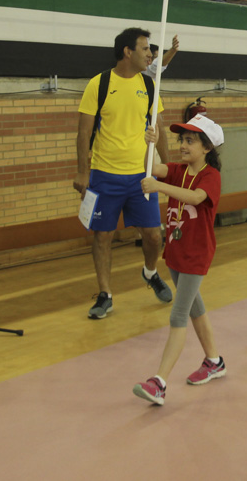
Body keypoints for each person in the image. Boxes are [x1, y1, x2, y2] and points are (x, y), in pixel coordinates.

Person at [73, 27, 174, 322]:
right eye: (145, 49)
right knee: (103, 236)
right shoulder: (99, 84)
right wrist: (82, 171)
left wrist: (169, 167)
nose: (151, 55)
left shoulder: (150, 86)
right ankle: (105, 294)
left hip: (141, 176)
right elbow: (83, 132)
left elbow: (161, 128)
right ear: (128, 52)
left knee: (154, 236)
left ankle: (150, 271)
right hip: (104, 176)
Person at [133, 114, 225, 406]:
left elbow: (197, 198)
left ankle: (159, 382)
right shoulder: (178, 170)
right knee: (196, 309)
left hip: (196, 254)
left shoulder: (210, 176)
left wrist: (159, 187)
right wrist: (147, 142)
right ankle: (214, 361)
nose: (183, 146)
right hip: (175, 252)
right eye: (181, 140)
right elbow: (149, 167)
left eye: (190, 141)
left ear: (207, 147)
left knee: (178, 314)